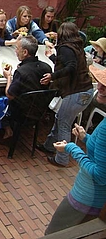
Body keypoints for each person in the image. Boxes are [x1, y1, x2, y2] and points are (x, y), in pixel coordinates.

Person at [44, 64, 106, 235]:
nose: (99, 87)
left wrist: (71, 147)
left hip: (86, 198)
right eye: (100, 83)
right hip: (94, 198)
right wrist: (86, 137)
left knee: (53, 234)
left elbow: (100, 175)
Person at [38, 22, 94, 167]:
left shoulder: (65, 48)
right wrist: (52, 57)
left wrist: (52, 76)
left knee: (64, 124)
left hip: (75, 92)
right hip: (86, 91)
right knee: (60, 119)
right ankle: (49, 146)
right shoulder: (77, 47)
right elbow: (68, 64)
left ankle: (62, 159)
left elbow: (71, 67)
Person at [2, 35, 52, 138]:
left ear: (25, 52)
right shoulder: (47, 67)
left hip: (22, 111)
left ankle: (6, 128)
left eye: (17, 49)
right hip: (40, 109)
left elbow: (9, 95)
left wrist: (8, 78)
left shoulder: (21, 72)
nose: (15, 51)